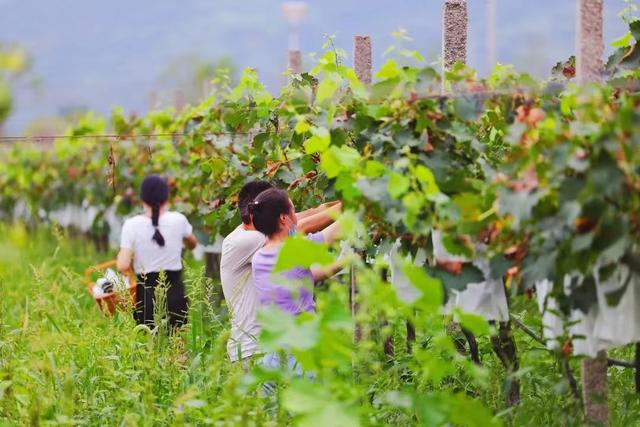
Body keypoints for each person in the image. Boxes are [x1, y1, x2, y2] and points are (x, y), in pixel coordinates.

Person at [220, 181, 340, 362]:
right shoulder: (247, 240)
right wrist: (349, 209)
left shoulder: (258, 239)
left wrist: (344, 260)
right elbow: (298, 227)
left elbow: (303, 276)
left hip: (270, 348)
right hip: (254, 349)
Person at [117, 175, 197, 330]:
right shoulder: (178, 220)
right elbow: (192, 244)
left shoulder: (131, 225)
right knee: (178, 344)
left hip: (146, 297)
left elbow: (122, 265)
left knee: (150, 346)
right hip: (175, 293)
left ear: (141, 199)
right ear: (167, 197)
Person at [249, 188, 343, 317]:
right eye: (293, 211)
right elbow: (343, 226)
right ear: (283, 218)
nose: (296, 216)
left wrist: (344, 262)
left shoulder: (258, 258)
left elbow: (301, 277)